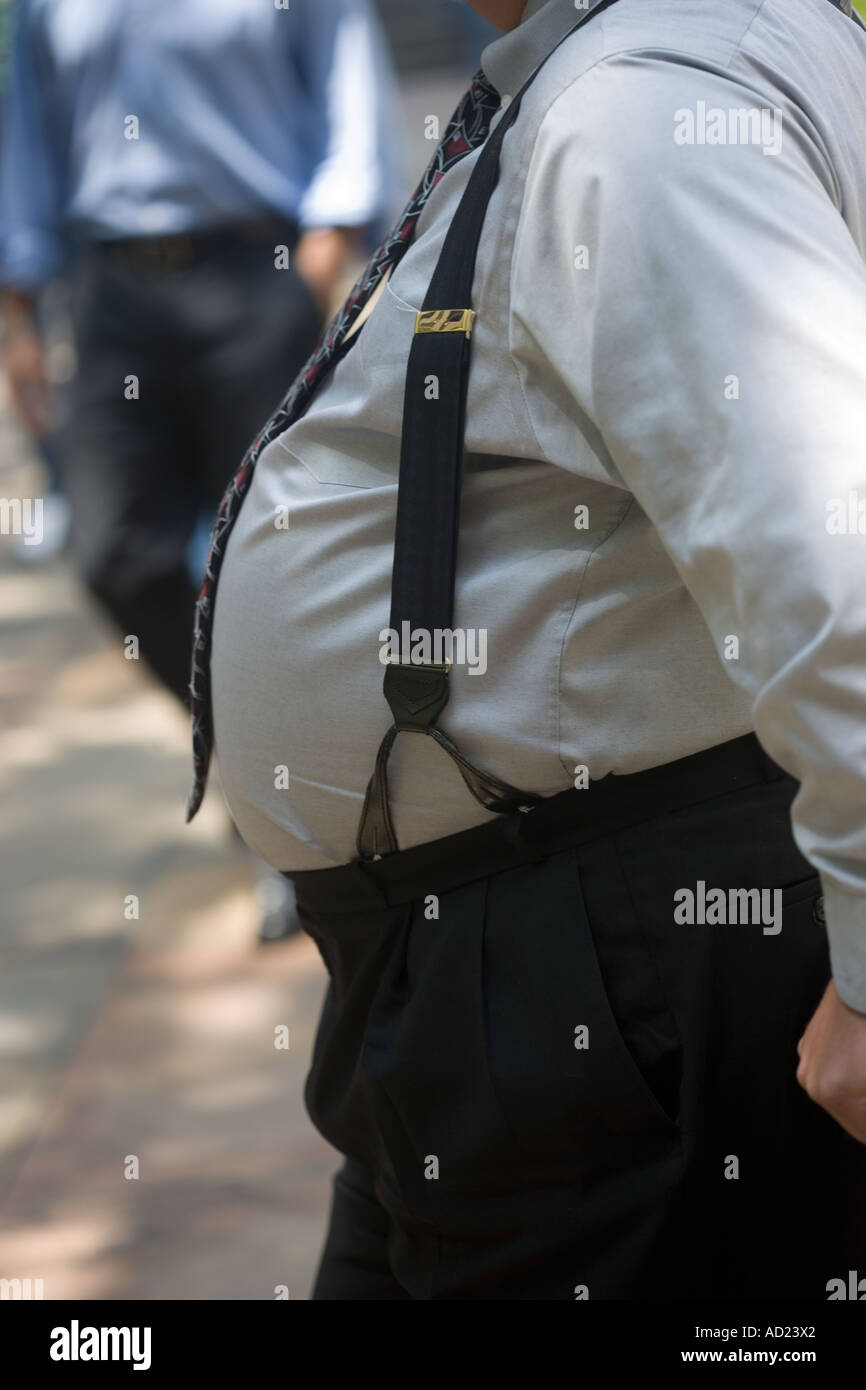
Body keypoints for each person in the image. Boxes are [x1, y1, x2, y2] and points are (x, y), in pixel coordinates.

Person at [188, 0, 866, 1298]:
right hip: (514, 966)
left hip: (580, 976)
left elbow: (827, 545)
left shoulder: (641, 104)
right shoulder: (656, 57)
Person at [0, 0, 398, 939]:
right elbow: (31, 126)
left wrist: (327, 250)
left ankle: (297, 822)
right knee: (116, 556)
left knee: (274, 566)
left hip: (256, 275)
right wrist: (20, 308)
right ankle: (255, 766)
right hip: (112, 293)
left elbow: (346, 80)